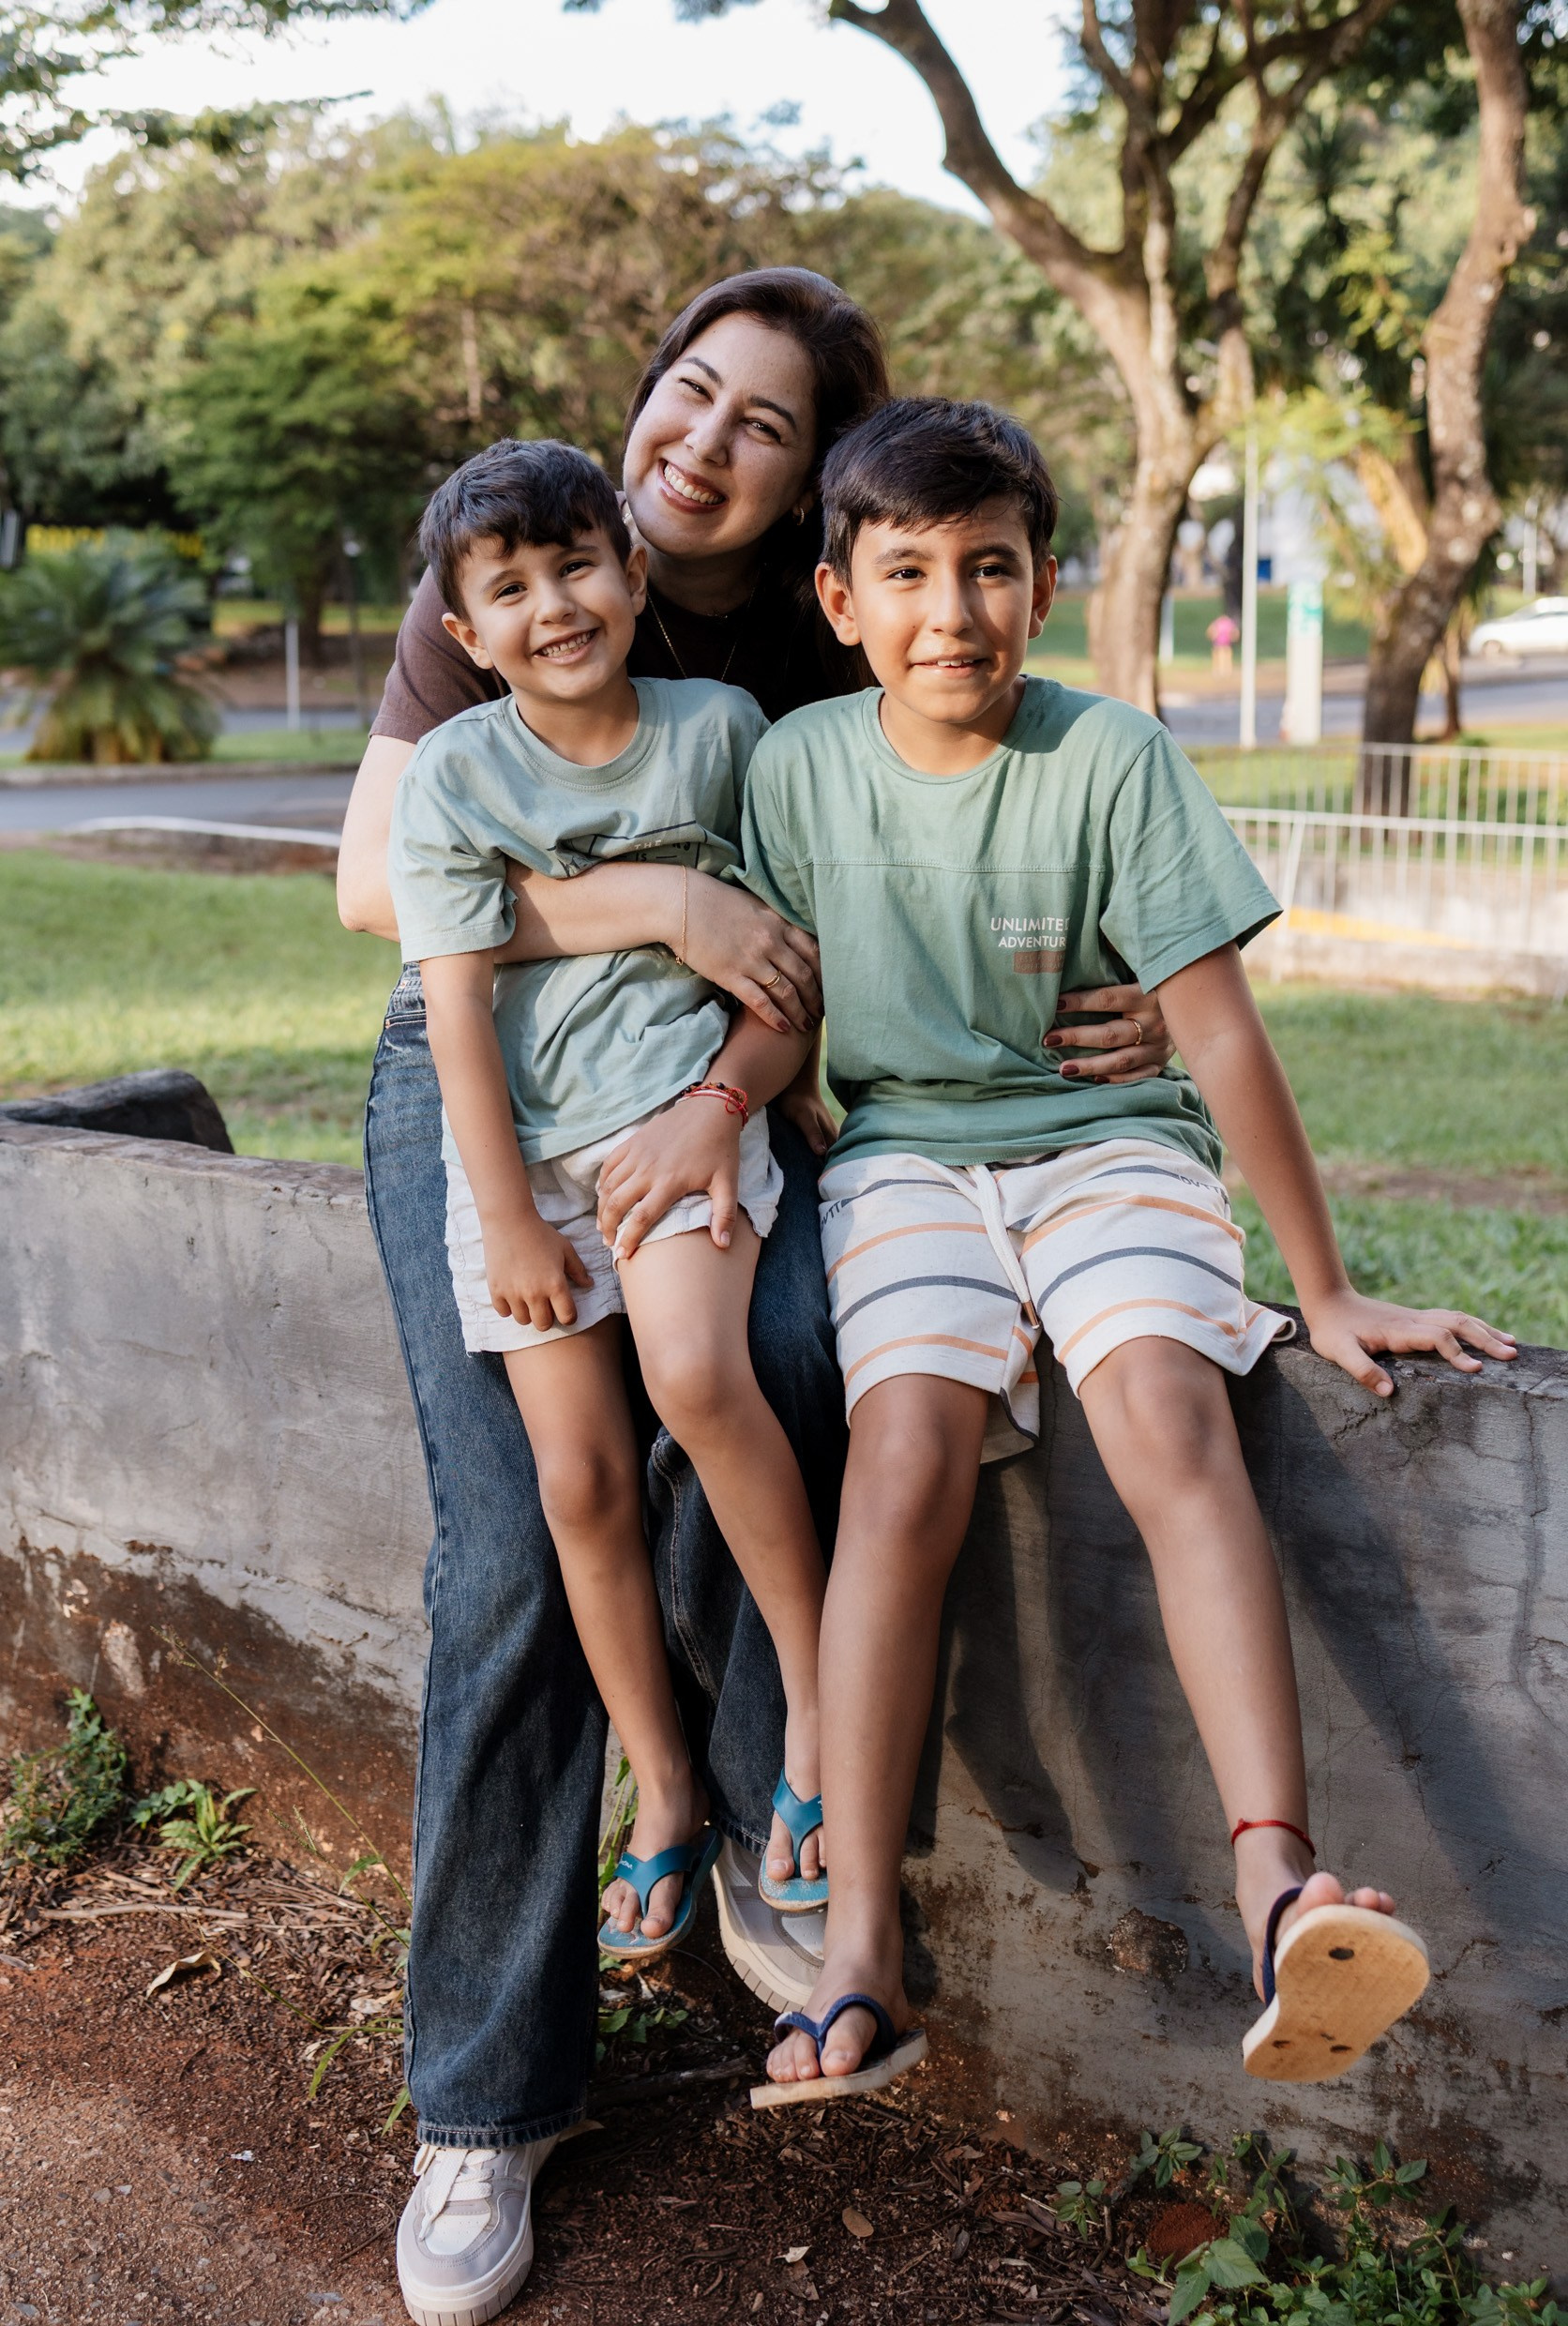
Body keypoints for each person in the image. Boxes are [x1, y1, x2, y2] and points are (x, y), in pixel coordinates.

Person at [336, 272, 1172, 2326]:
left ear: (813, 499)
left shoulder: (802, 663)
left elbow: (949, 847)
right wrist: (652, 895)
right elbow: (381, 879)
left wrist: (1119, 977)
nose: (698, 439)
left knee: (786, 1353)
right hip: (486, 1079)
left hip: (723, 1086)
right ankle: (485, 2093)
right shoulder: (508, 560)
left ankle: (762, 1782)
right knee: (517, 1547)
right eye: (685, 394)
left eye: (761, 423)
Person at [595, 397, 1516, 2107]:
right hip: (906, 1171)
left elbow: (1219, 1038)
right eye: (913, 574)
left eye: (995, 569)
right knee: (905, 1458)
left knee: (1166, 1413)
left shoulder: (1113, 758)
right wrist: (724, 1104)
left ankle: (1275, 1887)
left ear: (1047, 586)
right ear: (841, 601)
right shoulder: (799, 773)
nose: (957, 612)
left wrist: (1321, 1290)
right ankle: (859, 1943)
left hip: (1108, 1151)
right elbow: (785, 1013)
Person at [389, 433, 830, 1991]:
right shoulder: (453, 773)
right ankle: (664, 1778)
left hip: (678, 1129)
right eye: (508, 589)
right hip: (522, 1164)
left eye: (578, 565)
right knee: (576, 1482)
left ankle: (821, 1703)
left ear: (635, 573)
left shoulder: (720, 735)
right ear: (465, 633)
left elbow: (790, 968)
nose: (554, 604)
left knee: (702, 1380)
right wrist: (508, 1222)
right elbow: (450, 1011)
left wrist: (729, 1104)